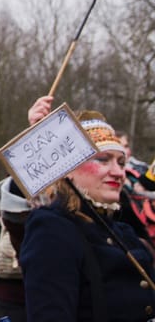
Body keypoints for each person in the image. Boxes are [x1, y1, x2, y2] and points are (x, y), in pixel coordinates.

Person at [19, 109, 155, 320]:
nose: (119, 172)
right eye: (103, 159)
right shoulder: (51, 229)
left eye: (121, 162)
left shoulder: (123, 230)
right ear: (69, 169)